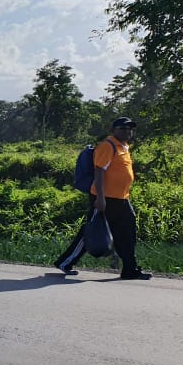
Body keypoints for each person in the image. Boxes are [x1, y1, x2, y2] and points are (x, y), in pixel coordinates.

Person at [55, 117, 152, 280]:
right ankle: (65, 262)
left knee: (127, 233)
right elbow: (99, 172)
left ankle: (130, 269)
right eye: (123, 128)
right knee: (92, 232)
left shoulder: (124, 147)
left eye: (130, 129)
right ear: (113, 131)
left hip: (121, 199)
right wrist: (100, 199)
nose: (127, 131)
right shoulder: (108, 146)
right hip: (104, 198)